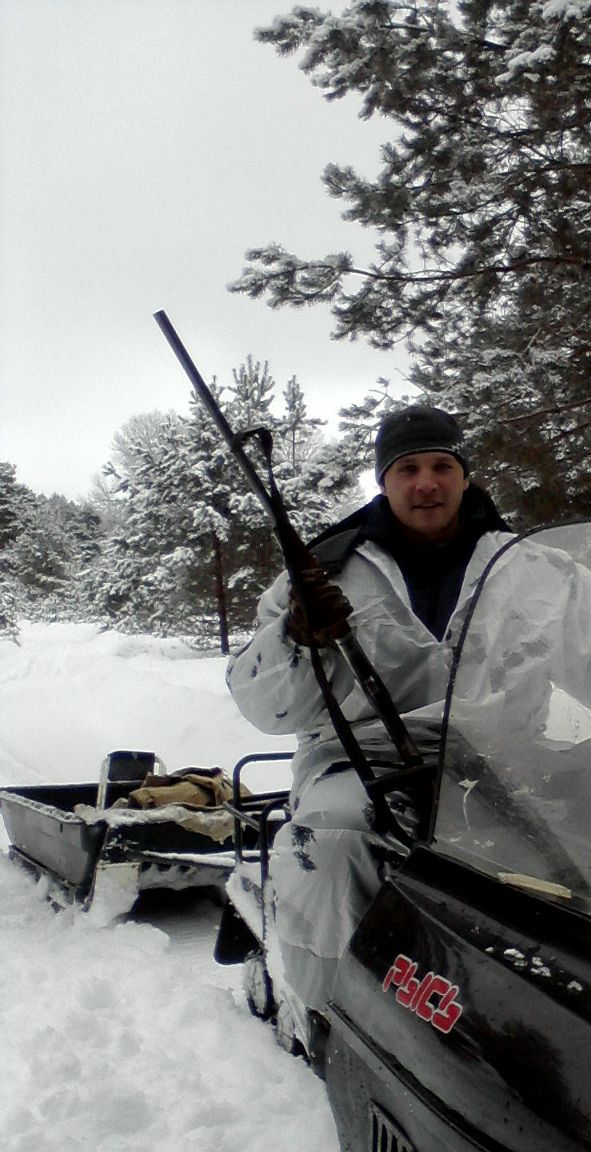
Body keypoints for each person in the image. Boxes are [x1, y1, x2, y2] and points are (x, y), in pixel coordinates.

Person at [226, 406, 514, 1041]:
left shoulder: (529, 567)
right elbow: (259, 701)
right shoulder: (324, 569)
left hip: (502, 755)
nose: (426, 483)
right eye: (407, 468)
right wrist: (295, 637)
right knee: (343, 839)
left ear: (465, 476)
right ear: (383, 481)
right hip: (358, 756)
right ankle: (340, 1018)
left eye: (442, 466)